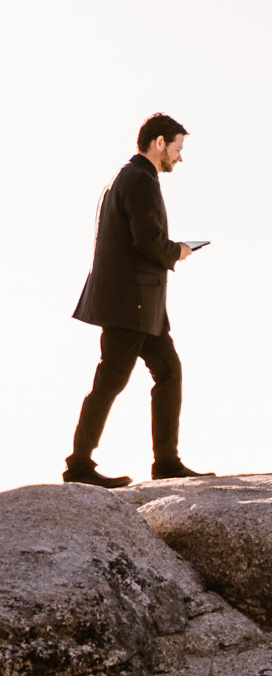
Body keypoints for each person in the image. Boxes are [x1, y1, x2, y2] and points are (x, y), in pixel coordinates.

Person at [66, 112, 209, 487]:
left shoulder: (124, 177)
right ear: (159, 143)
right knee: (112, 379)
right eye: (177, 148)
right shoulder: (141, 180)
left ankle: (165, 462)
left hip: (137, 304)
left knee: (166, 371)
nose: (179, 157)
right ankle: (79, 466)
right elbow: (147, 240)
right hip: (133, 304)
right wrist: (177, 251)